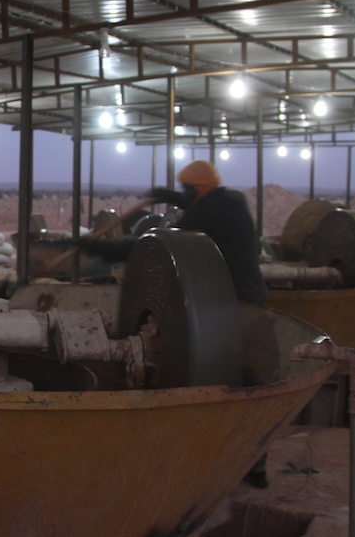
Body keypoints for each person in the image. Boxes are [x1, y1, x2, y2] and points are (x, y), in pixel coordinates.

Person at [83, 159, 269, 488]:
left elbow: (157, 244)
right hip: (248, 300)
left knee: (233, 385)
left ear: (199, 188)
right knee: (249, 383)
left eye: (186, 189)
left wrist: (102, 247)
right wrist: (178, 197)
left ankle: (227, 464)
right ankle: (252, 466)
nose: (183, 195)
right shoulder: (232, 203)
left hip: (233, 306)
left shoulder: (204, 216)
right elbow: (204, 207)